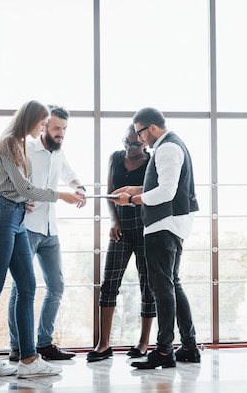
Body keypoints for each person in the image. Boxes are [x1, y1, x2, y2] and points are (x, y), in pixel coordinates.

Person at [0, 100, 84, 377]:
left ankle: (28, 360)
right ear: (32, 120)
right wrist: (58, 195)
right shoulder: (10, 142)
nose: (43, 128)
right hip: (1, 219)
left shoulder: (19, 145)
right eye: (42, 123)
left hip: (18, 219)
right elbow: (21, 185)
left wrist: (21, 197)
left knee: (28, 286)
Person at [111, 107, 201, 369]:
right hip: (171, 224)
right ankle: (188, 346)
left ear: (151, 127)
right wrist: (134, 189)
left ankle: (163, 351)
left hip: (163, 225)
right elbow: (161, 185)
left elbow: (166, 192)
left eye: (140, 133)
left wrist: (132, 200)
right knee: (172, 284)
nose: (139, 139)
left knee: (162, 288)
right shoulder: (170, 145)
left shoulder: (167, 148)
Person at [7, 105, 86, 363]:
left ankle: (44, 343)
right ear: (44, 126)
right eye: (56, 128)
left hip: (51, 231)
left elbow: (70, 176)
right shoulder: (25, 147)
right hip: (27, 228)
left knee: (57, 286)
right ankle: (18, 347)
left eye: (64, 129)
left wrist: (80, 188)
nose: (60, 133)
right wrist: (16, 197)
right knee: (21, 289)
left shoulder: (58, 153)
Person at [87, 125, 156, 363]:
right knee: (109, 283)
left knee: (148, 284)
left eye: (135, 144)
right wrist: (114, 220)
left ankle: (144, 342)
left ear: (144, 143)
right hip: (121, 227)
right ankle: (104, 344)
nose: (129, 148)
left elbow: (155, 193)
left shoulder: (152, 162)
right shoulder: (115, 157)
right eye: (125, 142)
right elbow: (109, 193)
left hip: (145, 226)